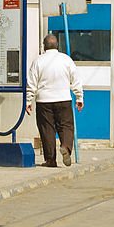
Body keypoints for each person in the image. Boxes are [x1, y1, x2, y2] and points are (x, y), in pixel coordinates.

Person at [26, 34, 83, 168]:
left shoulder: (38, 61)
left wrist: (28, 101)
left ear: (44, 46)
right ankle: (66, 147)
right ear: (57, 45)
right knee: (66, 126)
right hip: (63, 99)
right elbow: (75, 79)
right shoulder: (66, 60)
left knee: (47, 130)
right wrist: (79, 97)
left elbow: (32, 83)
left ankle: (50, 160)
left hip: (43, 101)